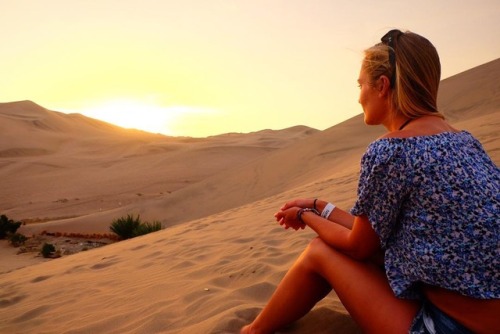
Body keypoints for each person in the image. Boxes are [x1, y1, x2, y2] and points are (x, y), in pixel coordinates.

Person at [241, 29, 499, 334]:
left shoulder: (393, 150)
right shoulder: (465, 142)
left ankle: (252, 332)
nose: (358, 95)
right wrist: (318, 205)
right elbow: (372, 232)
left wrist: (305, 216)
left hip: (451, 328)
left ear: (382, 86)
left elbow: (358, 247)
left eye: (361, 84)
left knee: (320, 251)